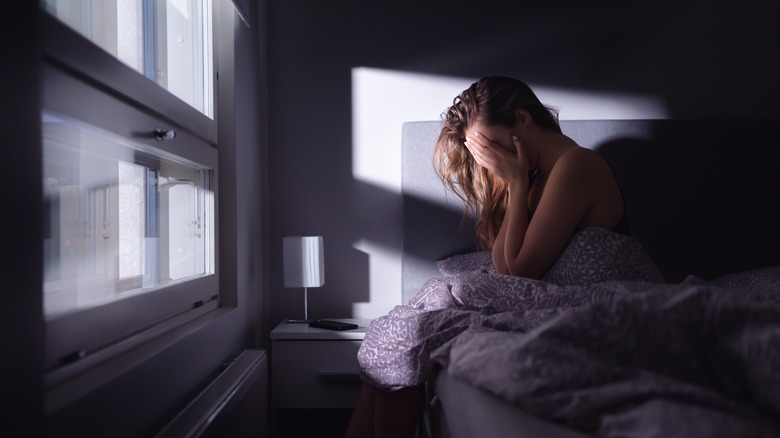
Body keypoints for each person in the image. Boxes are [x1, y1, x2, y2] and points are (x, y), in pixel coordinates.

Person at [344, 76, 629, 438]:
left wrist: (517, 182)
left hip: (602, 297)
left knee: (416, 326)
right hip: (552, 297)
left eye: (491, 145)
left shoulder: (577, 164)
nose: (491, 160)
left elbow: (520, 272)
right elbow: (504, 265)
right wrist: (518, 184)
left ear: (523, 120)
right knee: (405, 332)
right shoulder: (537, 176)